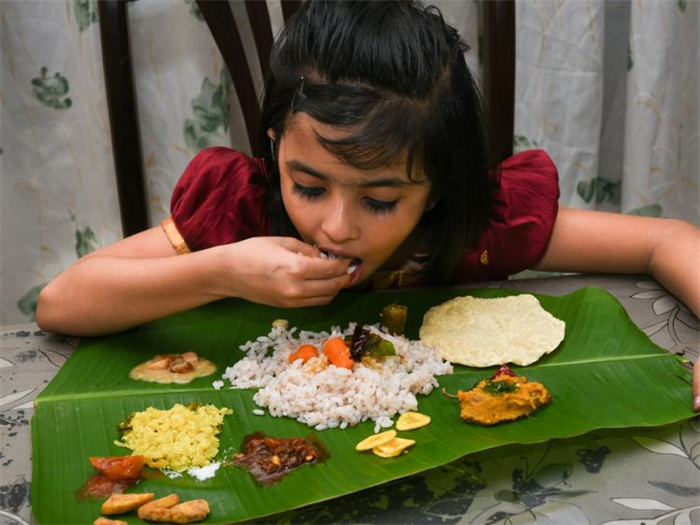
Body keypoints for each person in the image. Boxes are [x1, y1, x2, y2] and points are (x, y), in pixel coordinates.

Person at [36, 1, 699, 410]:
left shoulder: (480, 225)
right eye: (310, 185)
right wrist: (226, 271)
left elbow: (663, 239)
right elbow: (62, 300)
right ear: (274, 150)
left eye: (381, 199)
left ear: (438, 185)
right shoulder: (240, 213)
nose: (335, 225)